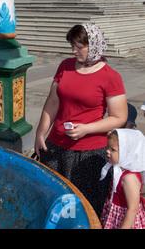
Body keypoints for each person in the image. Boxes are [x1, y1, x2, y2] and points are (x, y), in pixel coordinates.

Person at [34, 23, 128, 217]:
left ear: (93, 45)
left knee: (83, 209)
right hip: (55, 147)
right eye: (72, 46)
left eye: (79, 47)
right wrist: (40, 132)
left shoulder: (110, 77)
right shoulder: (65, 66)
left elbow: (119, 117)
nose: (74, 51)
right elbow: (52, 102)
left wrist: (87, 128)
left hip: (88, 154)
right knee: (53, 202)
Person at [100, 129, 145, 229]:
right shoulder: (119, 170)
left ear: (127, 153)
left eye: (113, 149)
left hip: (125, 221)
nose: (107, 151)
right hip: (116, 216)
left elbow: (133, 209)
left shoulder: (129, 178)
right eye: (108, 147)